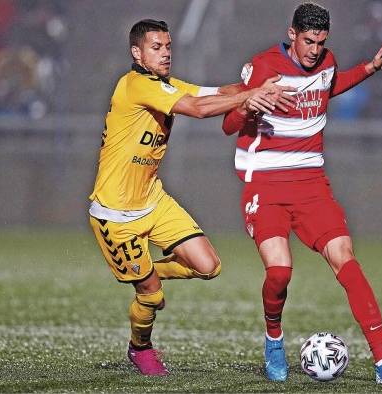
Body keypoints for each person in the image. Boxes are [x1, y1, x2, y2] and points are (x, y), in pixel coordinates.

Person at [222, 3, 382, 386]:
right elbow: (230, 126)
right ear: (292, 34)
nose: (314, 49)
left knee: (346, 260)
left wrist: (369, 68)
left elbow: (329, 87)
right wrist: (249, 105)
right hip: (266, 183)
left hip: (312, 184)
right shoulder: (263, 67)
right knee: (279, 272)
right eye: (308, 41)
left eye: (321, 42)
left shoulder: (327, 61)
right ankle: (274, 340)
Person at [88, 19, 294, 376]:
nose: (166, 52)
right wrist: (249, 96)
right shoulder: (136, 85)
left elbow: (210, 93)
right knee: (152, 298)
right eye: (156, 47)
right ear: (136, 53)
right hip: (116, 214)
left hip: (153, 199)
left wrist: (256, 86)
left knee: (208, 266)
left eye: (168, 46)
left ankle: (145, 273)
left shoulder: (164, 85)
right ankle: (140, 348)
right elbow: (199, 110)